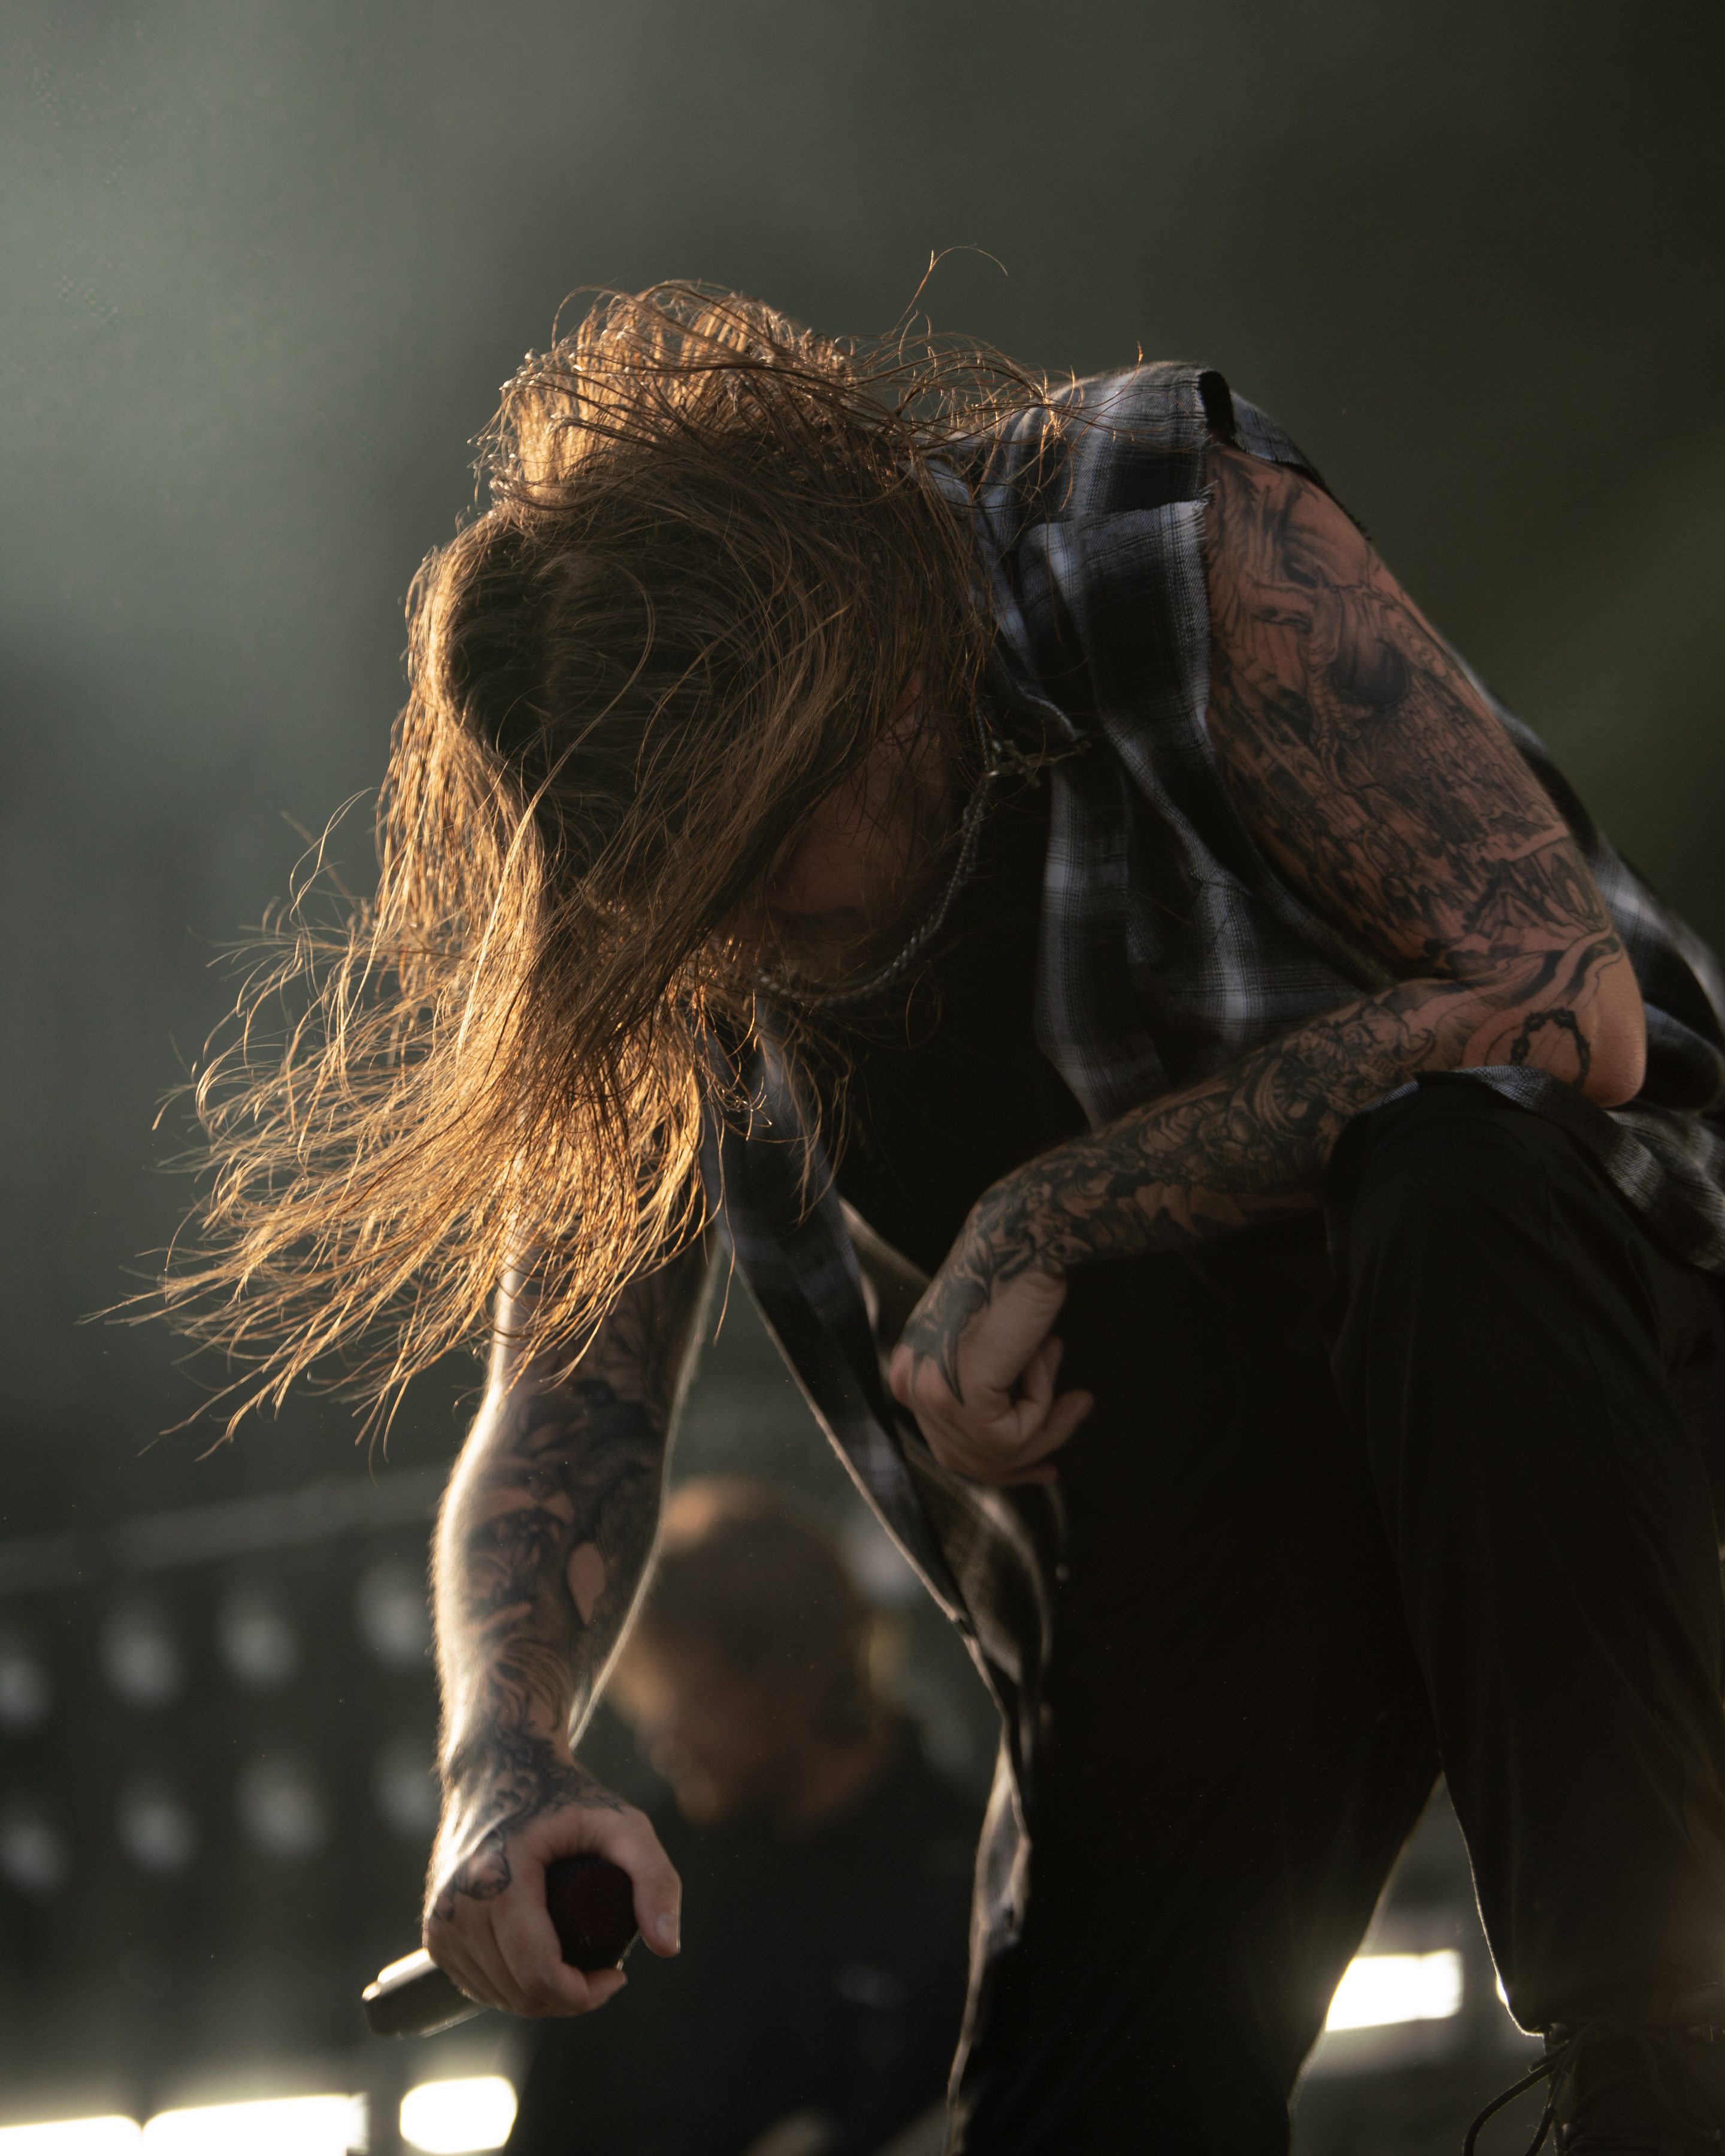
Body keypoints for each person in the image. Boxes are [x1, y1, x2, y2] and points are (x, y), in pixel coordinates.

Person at [174, 286, 1725, 2152]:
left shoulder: (1143, 518)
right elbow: (567, 1394)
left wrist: (1050, 1209)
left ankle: (1665, 2054)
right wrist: (502, 1762)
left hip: (1587, 1347)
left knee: (1446, 1176)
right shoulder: (676, 893)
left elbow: (1565, 1000)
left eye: (766, 863)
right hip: (1196, 1507)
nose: (736, 935)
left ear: (885, 677)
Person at [504, 1478, 978, 2156]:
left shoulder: (959, 1882)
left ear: (789, 1679)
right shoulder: (637, 1863)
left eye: (690, 1699)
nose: (665, 1739)